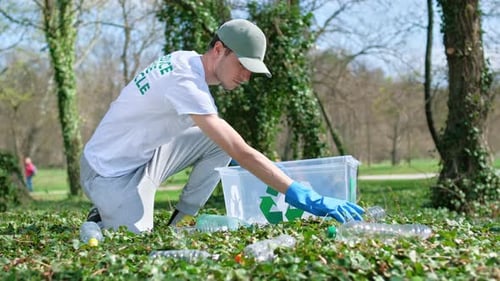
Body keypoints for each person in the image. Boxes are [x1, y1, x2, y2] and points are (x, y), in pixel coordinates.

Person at [80, 19, 364, 234]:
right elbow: (241, 151)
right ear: (219, 49)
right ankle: (101, 216)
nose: (246, 76)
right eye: (243, 65)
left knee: (217, 140)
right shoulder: (187, 82)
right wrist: (300, 194)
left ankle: (181, 221)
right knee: (137, 242)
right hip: (108, 173)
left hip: (145, 158)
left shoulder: (186, 60)